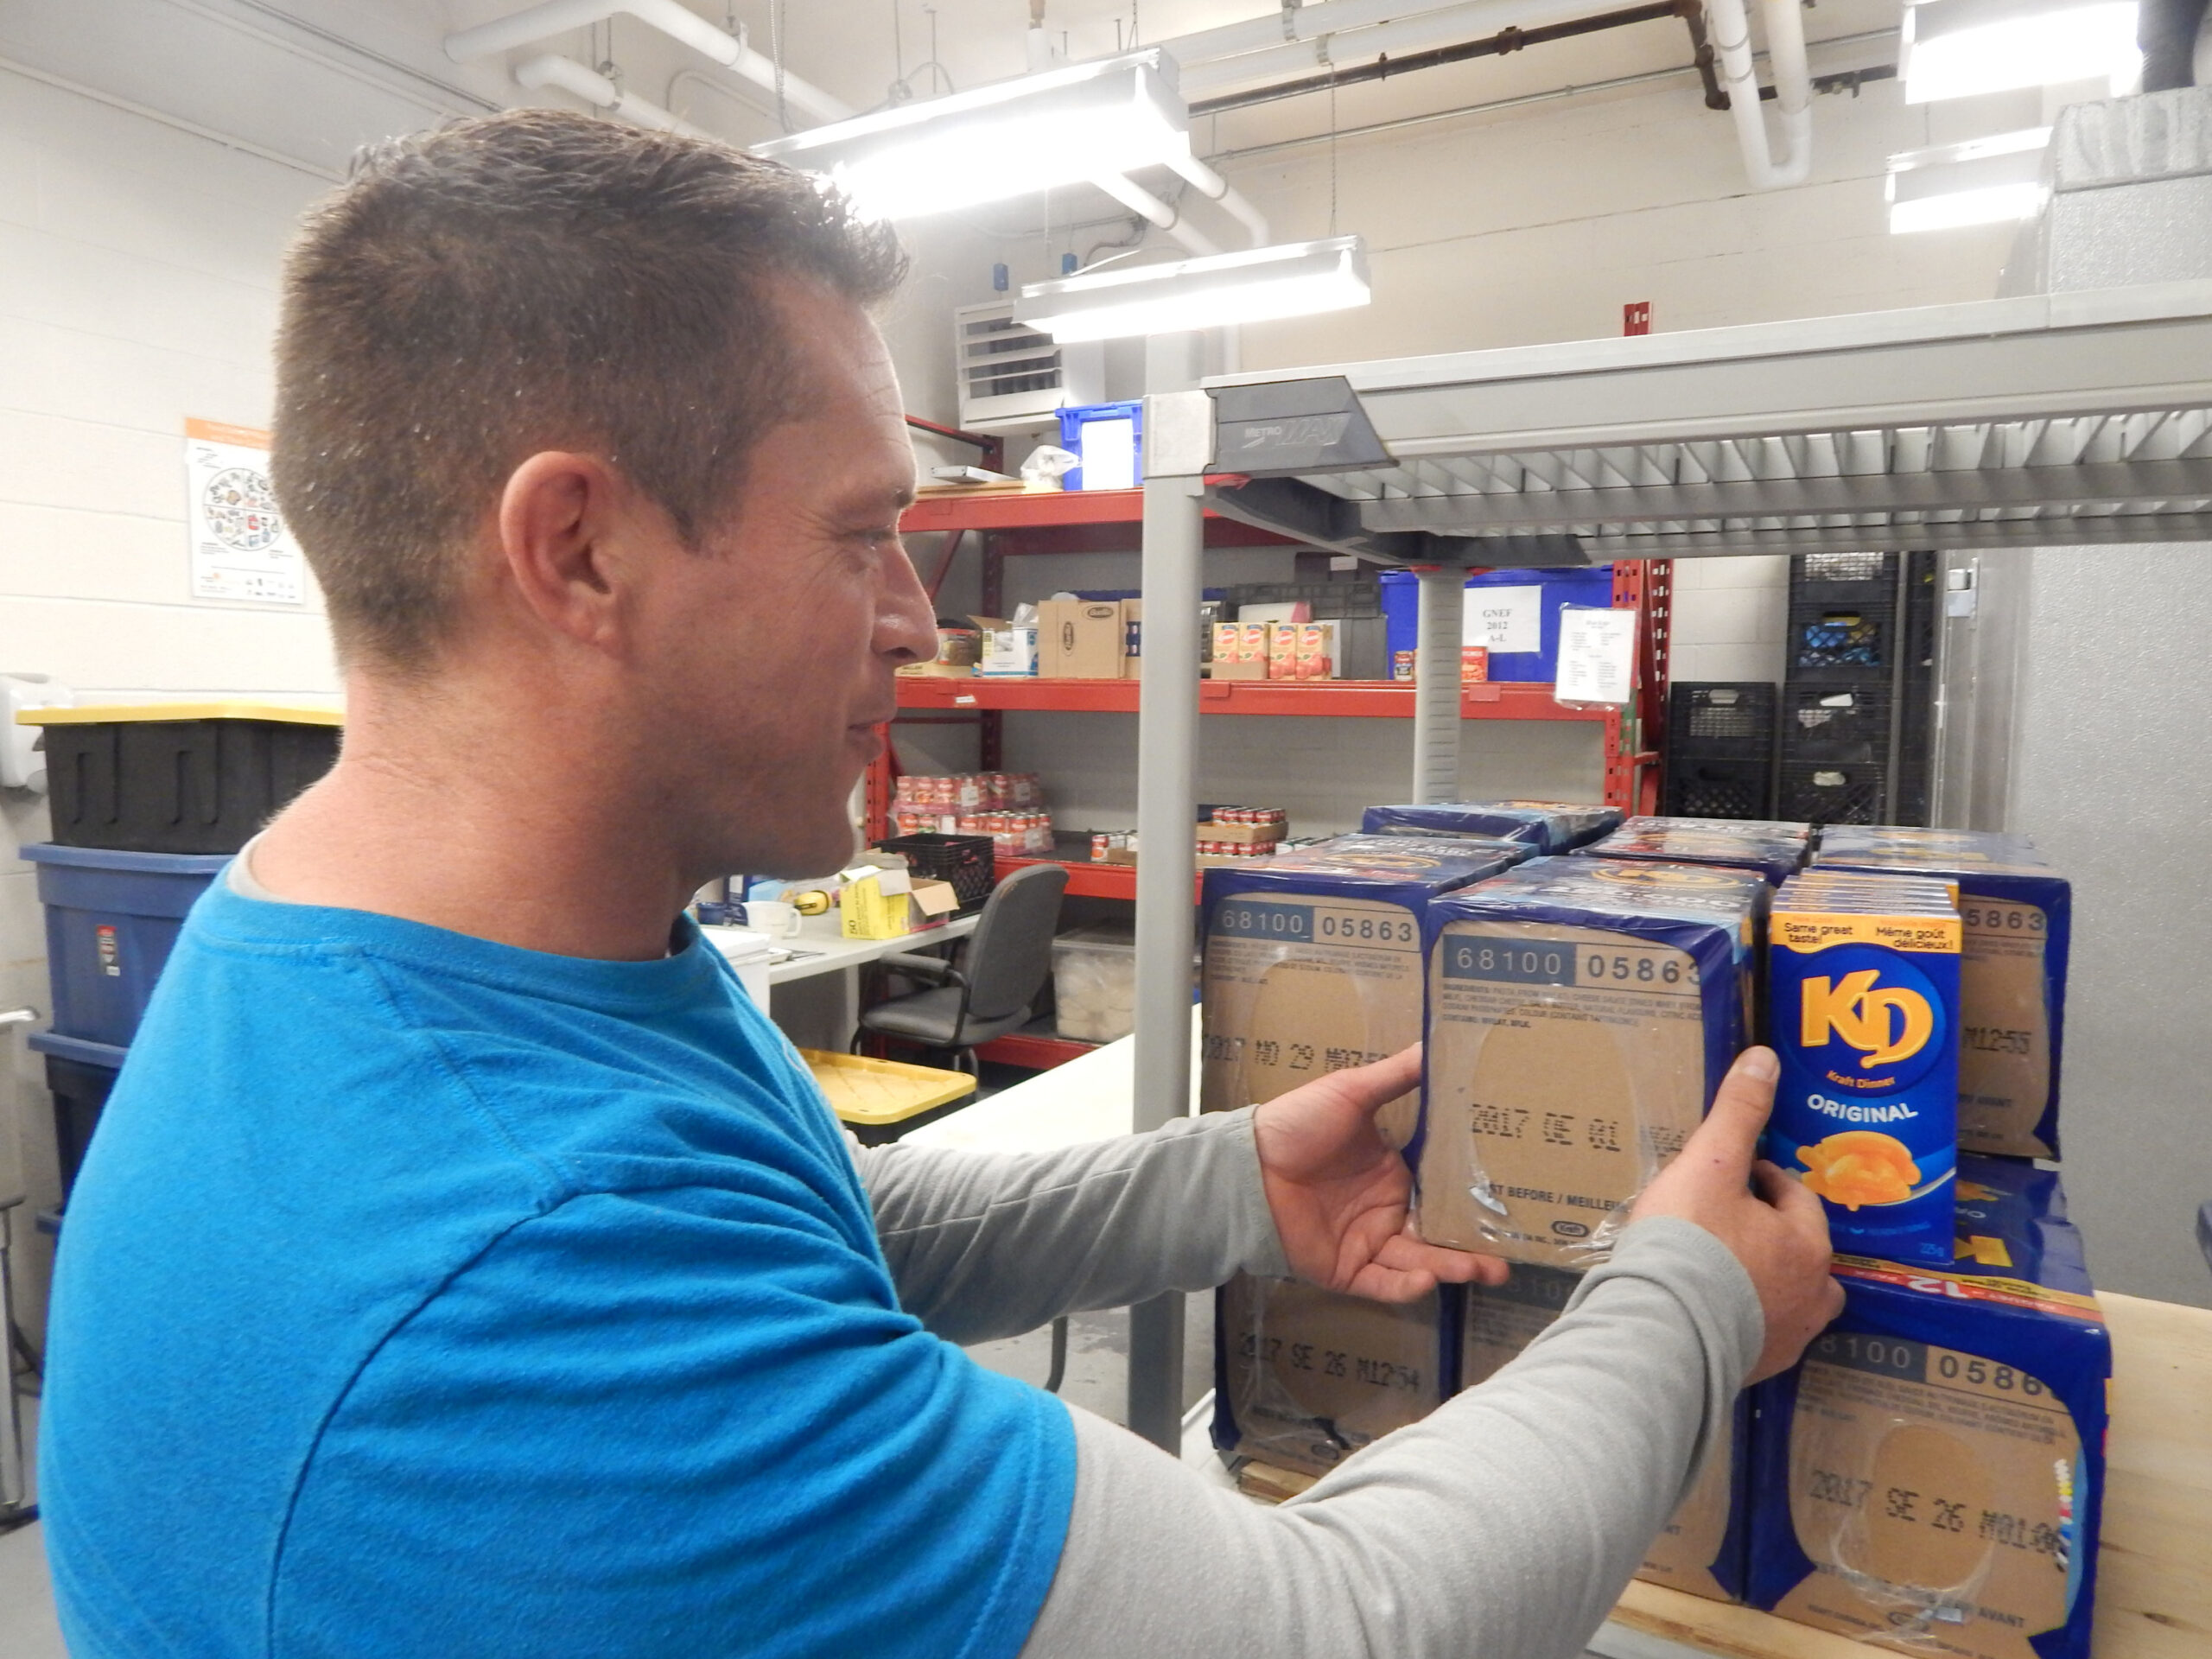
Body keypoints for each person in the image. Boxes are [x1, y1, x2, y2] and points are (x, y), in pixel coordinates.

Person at [38, 111, 1840, 1659]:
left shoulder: (361, 935)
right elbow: (1336, 1626)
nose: (913, 616)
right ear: (577, 549)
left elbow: (808, 1236)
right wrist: (1685, 1301)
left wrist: (1220, 1188)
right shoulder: (519, 1273)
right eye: (856, 536)